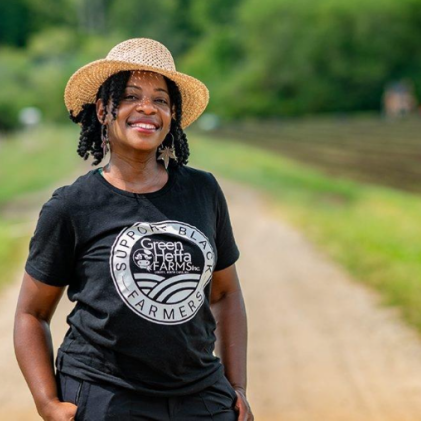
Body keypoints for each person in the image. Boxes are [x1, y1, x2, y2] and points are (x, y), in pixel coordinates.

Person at [14, 38, 253, 421]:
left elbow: (225, 294)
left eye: (160, 99)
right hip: (106, 396)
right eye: (130, 96)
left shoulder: (202, 190)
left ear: (172, 114)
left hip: (200, 396)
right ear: (103, 109)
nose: (147, 108)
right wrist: (46, 402)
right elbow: (31, 313)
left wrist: (236, 385)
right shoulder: (72, 206)